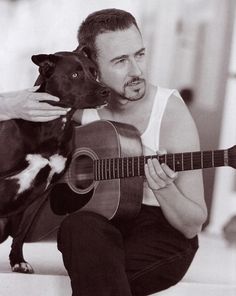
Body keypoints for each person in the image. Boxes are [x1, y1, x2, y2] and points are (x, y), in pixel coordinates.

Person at [0, 8, 207, 296]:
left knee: (96, 271)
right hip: (104, 228)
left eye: (140, 54)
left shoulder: (169, 111)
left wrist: (164, 188)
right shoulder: (76, 107)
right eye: (121, 60)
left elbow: (192, 224)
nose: (136, 70)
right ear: (90, 65)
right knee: (78, 228)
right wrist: (6, 105)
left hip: (161, 235)